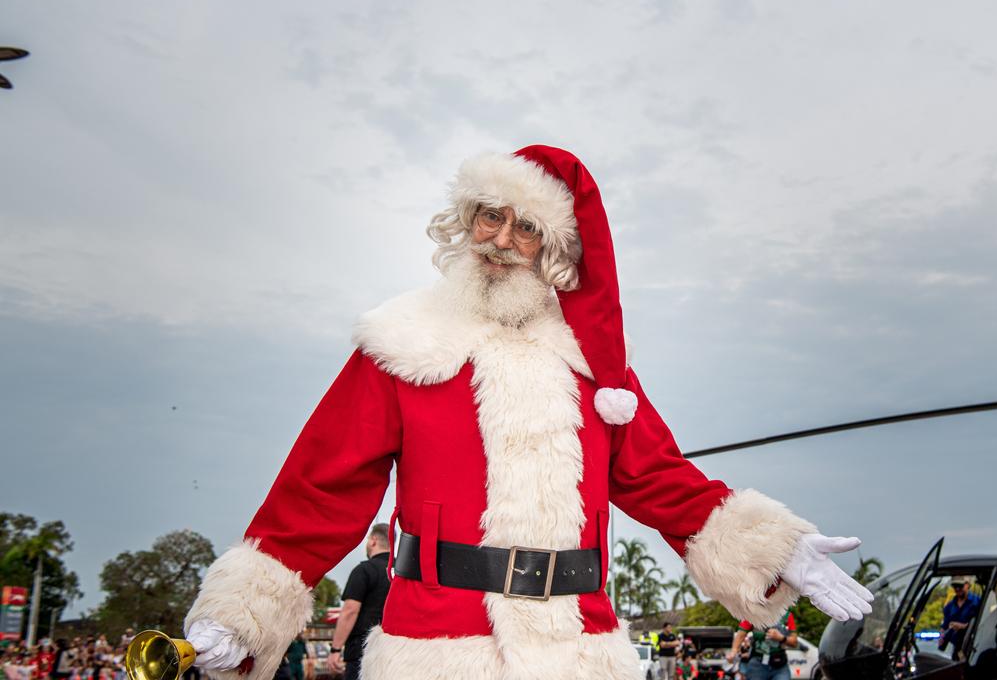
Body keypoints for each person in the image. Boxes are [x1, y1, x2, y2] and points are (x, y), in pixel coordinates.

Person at [179, 146, 875, 680]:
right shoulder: (402, 343)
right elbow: (323, 484)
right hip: (437, 652)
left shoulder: (593, 366)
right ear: (467, 221)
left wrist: (775, 547)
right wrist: (245, 613)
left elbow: (657, 477)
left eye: (527, 227)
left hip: (580, 649)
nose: (502, 239)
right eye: (491, 216)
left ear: (557, 251)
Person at [328, 525, 394, 680]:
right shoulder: (404, 573)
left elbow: (350, 610)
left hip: (363, 651)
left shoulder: (365, 570)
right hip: (397, 652)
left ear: (373, 541)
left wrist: (335, 650)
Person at [727, 611, 797, 680]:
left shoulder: (786, 615)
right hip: (757, 665)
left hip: (780, 665)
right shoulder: (752, 615)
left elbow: (794, 642)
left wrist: (781, 638)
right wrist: (733, 651)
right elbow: (740, 635)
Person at [938, 579, 979, 657]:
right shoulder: (950, 606)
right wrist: (942, 637)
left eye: (960, 586)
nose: (957, 589)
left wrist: (963, 626)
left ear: (967, 585)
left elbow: (982, 623)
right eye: (955, 586)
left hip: (972, 648)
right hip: (956, 648)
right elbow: (944, 627)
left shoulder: (977, 602)